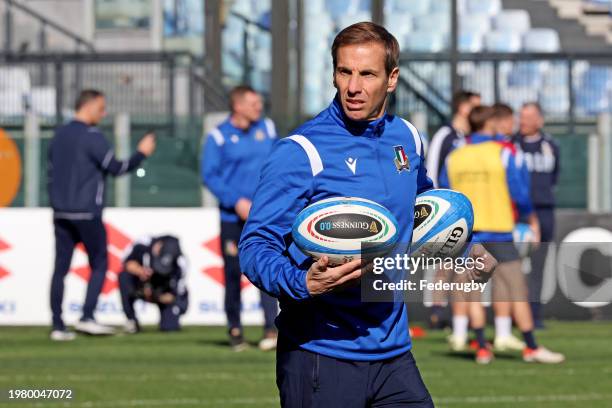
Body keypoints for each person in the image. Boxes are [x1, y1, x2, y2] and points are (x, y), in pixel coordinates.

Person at [239, 22, 495, 406]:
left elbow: (422, 206)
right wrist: (302, 282)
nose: (353, 87)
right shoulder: (300, 151)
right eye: (345, 72)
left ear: (392, 79)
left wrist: (464, 246)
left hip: (393, 353)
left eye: (367, 74)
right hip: (321, 354)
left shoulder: (407, 137)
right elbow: (255, 246)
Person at [440, 105, 564, 364]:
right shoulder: (506, 152)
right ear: (492, 124)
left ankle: (482, 348)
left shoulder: (456, 154)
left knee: (471, 291)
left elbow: (445, 191)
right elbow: (520, 192)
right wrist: (530, 218)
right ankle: (531, 346)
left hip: (469, 233)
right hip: (499, 229)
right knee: (516, 288)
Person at [48, 89, 156, 341]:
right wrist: (141, 153)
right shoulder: (92, 136)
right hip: (86, 212)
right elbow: (116, 168)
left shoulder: (59, 135)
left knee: (60, 268)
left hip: (61, 211)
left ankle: (57, 324)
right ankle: (87, 317)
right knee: (99, 263)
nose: (104, 112)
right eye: (101, 107)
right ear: (89, 105)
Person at [201, 85, 279, 352]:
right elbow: (210, 176)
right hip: (232, 219)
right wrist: (236, 201)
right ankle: (235, 330)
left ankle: (272, 328)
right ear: (238, 106)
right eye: (253, 103)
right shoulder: (219, 137)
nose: (259, 107)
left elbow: (278, 163)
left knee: (267, 269)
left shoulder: (267, 128)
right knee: (233, 273)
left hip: (264, 215)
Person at [426, 90, 480, 331]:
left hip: (465, 212)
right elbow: (431, 170)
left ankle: (456, 315)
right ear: (463, 108)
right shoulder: (445, 135)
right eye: (475, 106)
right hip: (446, 212)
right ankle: (438, 313)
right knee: (445, 265)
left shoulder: (469, 138)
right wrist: (438, 211)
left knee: (461, 265)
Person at [514, 102, 560, 329]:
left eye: (528, 117)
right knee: (513, 267)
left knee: (538, 266)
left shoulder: (551, 145)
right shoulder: (512, 145)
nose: (523, 121)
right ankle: (515, 316)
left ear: (539, 120)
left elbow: (554, 178)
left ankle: (534, 314)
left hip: (544, 211)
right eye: (521, 116)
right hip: (518, 214)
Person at [118, 235, 188, 333]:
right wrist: (141, 272)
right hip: (141, 284)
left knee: (170, 327)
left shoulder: (180, 264)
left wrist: (157, 296)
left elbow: (176, 295)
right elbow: (127, 264)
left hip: (162, 291)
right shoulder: (143, 244)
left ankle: (168, 321)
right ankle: (131, 319)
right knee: (124, 277)